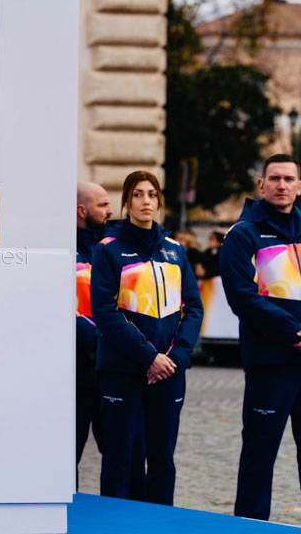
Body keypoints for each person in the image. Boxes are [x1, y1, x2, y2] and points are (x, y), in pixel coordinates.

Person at [220, 154, 301, 531]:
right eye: (274, 178)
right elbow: (242, 298)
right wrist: (295, 333)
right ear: (261, 185)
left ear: (300, 187)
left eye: (289, 179)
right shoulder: (243, 235)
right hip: (271, 364)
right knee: (259, 456)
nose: (281, 185)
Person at [90, 171, 203, 505]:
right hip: (123, 371)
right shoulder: (108, 250)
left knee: (162, 462)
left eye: (152, 195)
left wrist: (176, 358)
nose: (145, 202)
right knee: (120, 460)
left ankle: (160, 524)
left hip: (169, 372)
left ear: (159, 201)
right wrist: (148, 357)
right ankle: (115, 526)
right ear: (127, 202)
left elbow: (193, 308)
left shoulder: (175, 251)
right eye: (138, 195)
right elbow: (105, 312)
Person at [75, 182, 112, 482]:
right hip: (75, 372)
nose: (110, 210)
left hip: (110, 368)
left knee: (117, 455)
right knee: (66, 456)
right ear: (81, 210)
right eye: (102, 205)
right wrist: (96, 340)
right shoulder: (63, 248)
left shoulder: (111, 247)